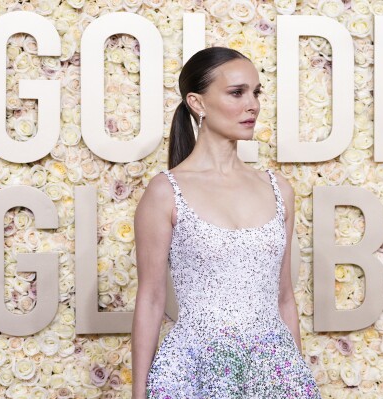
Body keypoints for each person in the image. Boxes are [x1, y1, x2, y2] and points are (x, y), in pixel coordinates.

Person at [131, 46, 321, 399]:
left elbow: (283, 298)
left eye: (256, 92)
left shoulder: (279, 189)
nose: (253, 105)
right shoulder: (165, 192)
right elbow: (152, 298)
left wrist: (296, 377)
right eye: (237, 92)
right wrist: (139, 394)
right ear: (197, 103)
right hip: (193, 372)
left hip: (274, 369)